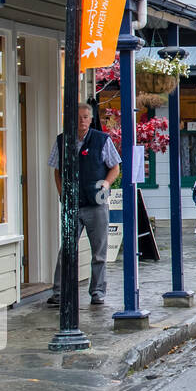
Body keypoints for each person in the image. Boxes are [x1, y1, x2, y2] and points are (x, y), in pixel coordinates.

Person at [47, 104, 122, 307]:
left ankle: (97, 292)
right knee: (67, 250)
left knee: (99, 251)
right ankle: (59, 292)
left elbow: (115, 167)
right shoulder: (63, 140)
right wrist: (62, 193)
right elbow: (56, 169)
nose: (82, 121)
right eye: (79, 117)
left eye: (86, 117)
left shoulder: (101, 140)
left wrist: (106, 183)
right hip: (72, 203)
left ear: (90, 119)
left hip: (96, 203)